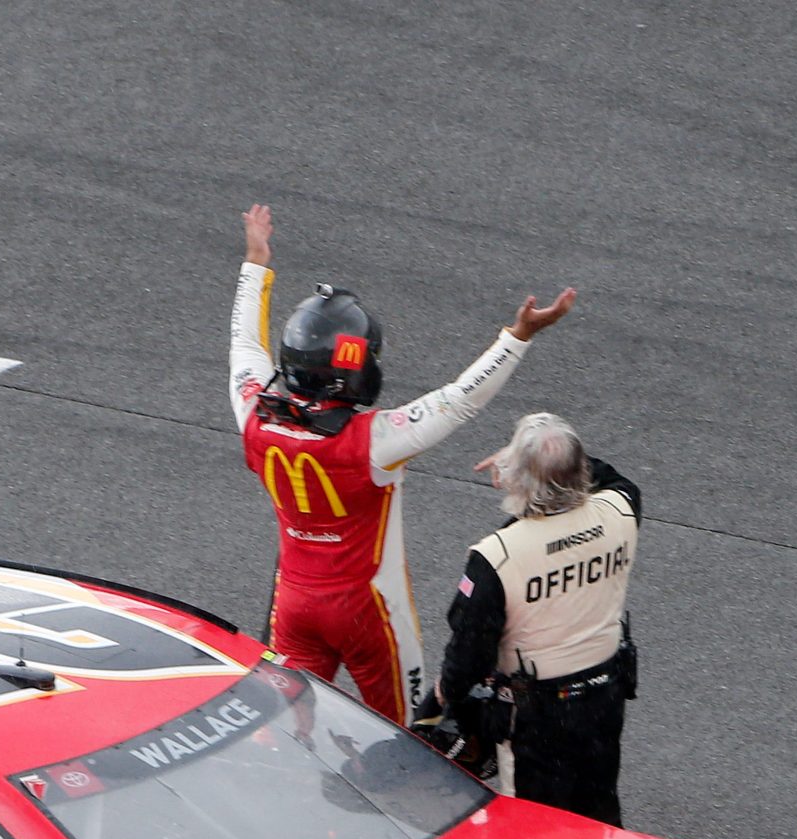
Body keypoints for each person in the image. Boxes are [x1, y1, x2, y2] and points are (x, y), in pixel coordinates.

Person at [229, 203, 575, 722]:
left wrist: (256, 261)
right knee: (412, 741)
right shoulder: (373, 441)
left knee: (285, 734)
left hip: (295, 607)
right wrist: (517, 336)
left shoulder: (253, 413)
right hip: (369, 612)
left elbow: (243, 345)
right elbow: (459, 400)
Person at [432, 413, 640, 824]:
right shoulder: (621, 508)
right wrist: (555, 460)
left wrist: (444, 696)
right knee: (598, 814)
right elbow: (608, 476)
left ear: (519, 479)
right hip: (605, 701)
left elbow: (469, 655)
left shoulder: (496, 557)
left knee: (533, 832)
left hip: (536, 720)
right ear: (579, 469)